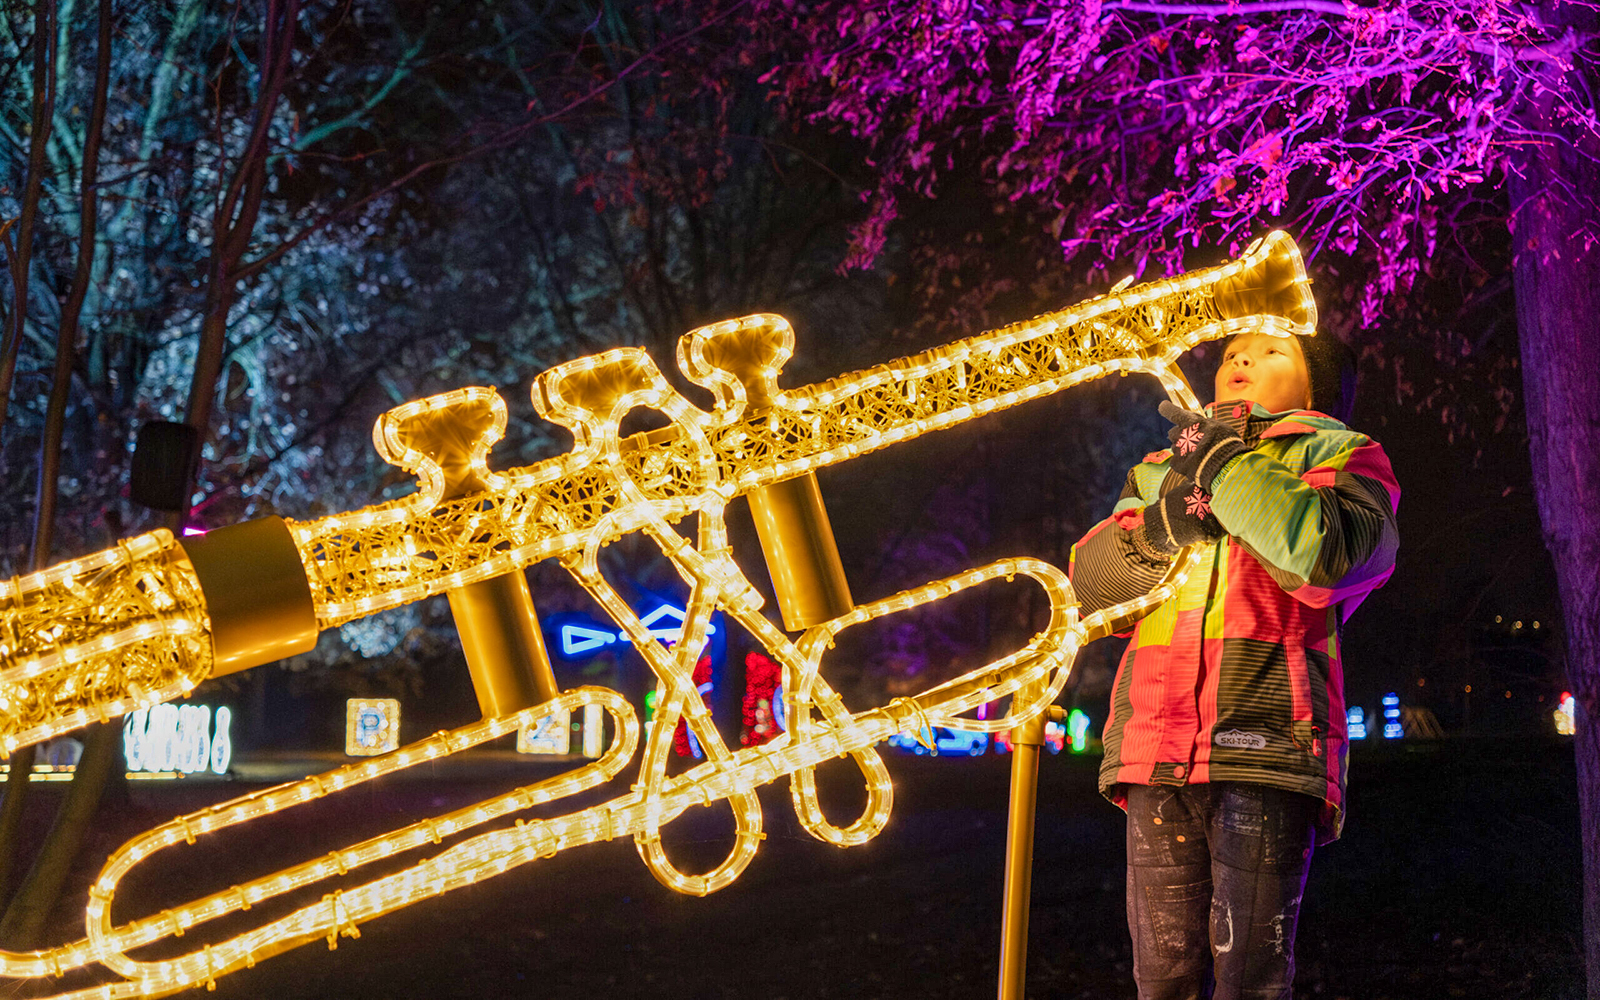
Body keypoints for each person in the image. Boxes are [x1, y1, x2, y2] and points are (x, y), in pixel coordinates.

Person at [1067, 331, 1399, 1000]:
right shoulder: (1159, 468)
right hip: (1154, 748)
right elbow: (1090, 588)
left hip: (1266, 743)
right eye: (1232, 354)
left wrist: (1223, 465)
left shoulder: (1341, 453)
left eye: (1273, 353)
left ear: (1314, 386)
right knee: (1159, 981)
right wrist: (1162, 524)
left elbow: (1319, 554)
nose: (1242, 360)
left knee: (1249, 978)